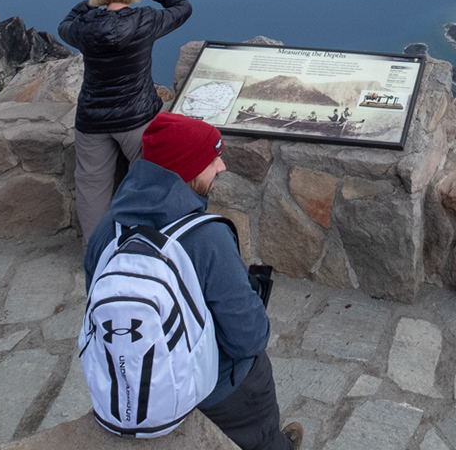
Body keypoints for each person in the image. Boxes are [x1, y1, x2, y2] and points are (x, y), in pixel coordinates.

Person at [85, 112, 300, 450]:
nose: (221, 166)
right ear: (185, 171)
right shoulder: (206, 239)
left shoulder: (107, 229)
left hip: (139, 384)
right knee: (258, 404)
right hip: (218, 393)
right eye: (212, 158)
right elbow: (248, 338)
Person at [58, 0, 193, 237]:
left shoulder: (83, 28)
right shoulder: (145, 20)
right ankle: (142, 244)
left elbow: (65, 24)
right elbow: (182, 7)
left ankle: (96, 255)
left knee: (91, 186)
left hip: (92, 120)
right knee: (147, 182)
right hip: (137, 118)